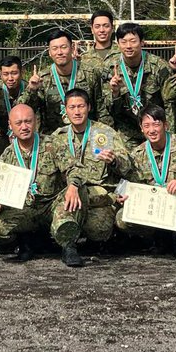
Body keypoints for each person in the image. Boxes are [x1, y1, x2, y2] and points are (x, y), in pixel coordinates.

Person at [0, 103, 86, 267]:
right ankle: (25, 239)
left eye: (28, 122)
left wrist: (73, 186)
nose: (24, 127)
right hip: (26, 208)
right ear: (10, 125)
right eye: (19, 123)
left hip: (52, 205)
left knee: (78, 191)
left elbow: (75, 168)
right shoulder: (8, 154)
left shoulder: (51, 144)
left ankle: (68, 246)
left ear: (35, 121)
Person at [113, 105, 176, 262]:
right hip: (157, 207)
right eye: (146, 126)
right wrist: (123, 194)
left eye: (156, 124)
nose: (152, 130)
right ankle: (158, 236)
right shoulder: (138, 154)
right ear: (141, 128)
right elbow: (133, 183)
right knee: (122, 218)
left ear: (165, 125)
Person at [48, 88, 133, 248]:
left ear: (89, 108)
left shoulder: (104, 133)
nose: (77, 112)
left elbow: (127, 167)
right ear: (65, 109)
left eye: (81, 106)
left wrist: (114, 161)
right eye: (72, 107)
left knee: (97, 230)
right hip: (70, 195)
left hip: (99, 198)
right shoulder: (57, 137)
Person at [21, 29, 105, 135]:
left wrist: (102, 138)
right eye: (55, 49)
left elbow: (102, 110)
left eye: (63, 47)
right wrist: (31, 90)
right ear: (50, 53)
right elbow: (24, 110)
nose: (59, 52)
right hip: (54, 139)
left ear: (72, 48)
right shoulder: (43, 78)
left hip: (87, 135)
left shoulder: (90, 73)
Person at [105, 22, 171, 144]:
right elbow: (107, 109)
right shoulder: (109, 67)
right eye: (123, 42)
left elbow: (169, 102)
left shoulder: (159, 66)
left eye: (133, 41)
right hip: (126, 132)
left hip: (154, 128)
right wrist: (115, 93)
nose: (128, 46)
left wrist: (169, 133)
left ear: (142, 42)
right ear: (118, 44)